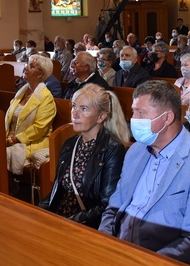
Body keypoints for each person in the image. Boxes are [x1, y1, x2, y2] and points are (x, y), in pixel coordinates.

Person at [99, 80, 190, 266]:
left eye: (140, 113)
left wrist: (143, 265)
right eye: (134, 111)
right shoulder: (136, 150)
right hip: (119, 252)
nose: (133, 118)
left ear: (167, 117)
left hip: (163, 265)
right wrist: (104, 244)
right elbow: (114, 207)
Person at [39, 84, 128, 226]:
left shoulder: (112, 149)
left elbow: (106, 205)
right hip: (60, 218)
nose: (74, 114)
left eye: (84, 109)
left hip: (85, 224)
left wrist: (70, 222)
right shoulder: (70, 143)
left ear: (101, 116)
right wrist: (38, 212)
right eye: (74, 106)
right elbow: (58, 189)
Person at [5, 55, 56, 175]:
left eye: (31, 66)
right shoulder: (22, 92)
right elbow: (9, 119)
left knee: (0, 153)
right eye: (27, 64)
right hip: (11, 138)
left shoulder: (46, 97)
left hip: (32, 142)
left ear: (40, 73)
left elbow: (39, 128)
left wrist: (14, 140)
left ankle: (7, 188)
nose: (25, 68)